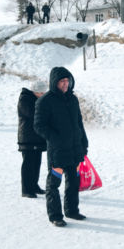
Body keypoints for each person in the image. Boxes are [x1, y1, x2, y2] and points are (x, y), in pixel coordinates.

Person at [34, 67, 89, 227]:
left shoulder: (73, 99)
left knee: (73, 182)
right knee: (54, 184)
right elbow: (38, 125)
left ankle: (72, 210)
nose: (65, 84)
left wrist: (84, 142)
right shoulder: (45, 101)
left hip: (74, 148)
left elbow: (79, 122)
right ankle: (55, 215)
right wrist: (55, 138)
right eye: (62, 81)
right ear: (54, 82)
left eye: (67, 81)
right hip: (58, 150)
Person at [18, 80, 48, 198]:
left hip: (37, 137)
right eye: (41, 92)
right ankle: (26, 189)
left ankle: (34, 185)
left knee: (36, 163)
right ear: (35, 91)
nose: (42, 94)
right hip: (28, 137)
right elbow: (32, 114)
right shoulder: (25, 99)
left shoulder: (37, 99)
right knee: (28, 164)